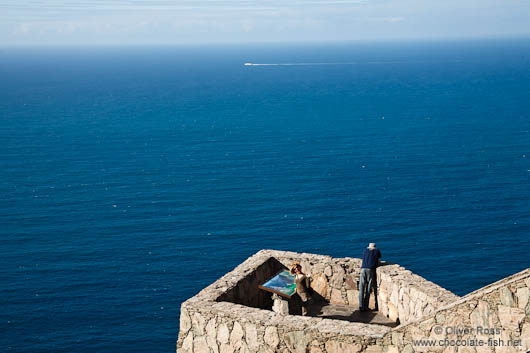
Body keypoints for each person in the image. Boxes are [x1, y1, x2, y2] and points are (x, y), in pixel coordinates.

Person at [358, 243, 381, 311]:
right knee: (368, 288)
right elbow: (378, 260)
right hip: (370, 270)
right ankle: (366, 306)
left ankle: (361, 306)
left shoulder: (365, 251)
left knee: (361, 288)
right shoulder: (376, 251)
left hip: (363, 269)